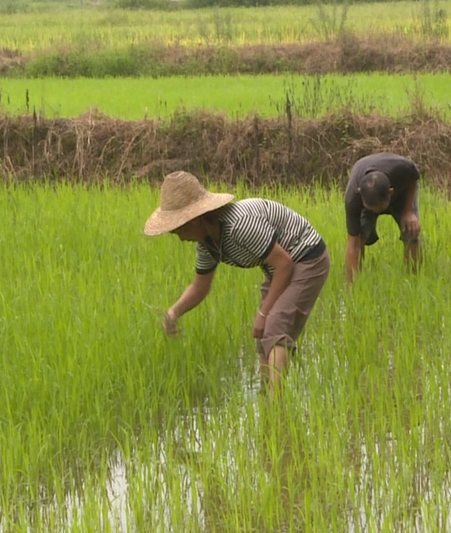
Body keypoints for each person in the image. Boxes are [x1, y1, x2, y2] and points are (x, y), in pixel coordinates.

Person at [144, 171, 330, 393]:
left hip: (307, 258)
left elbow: (285, 264)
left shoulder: (239, 225)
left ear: (197, 218)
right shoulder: (207, 244)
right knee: (263, 335)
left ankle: (277, 407)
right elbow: (200, 285)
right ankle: (265, 395)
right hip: (277, 267)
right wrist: (174, 312)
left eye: (179, 228)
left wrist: (263, 314)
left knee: (275, 325)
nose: (178, 236)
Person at [344, 152, 422, 281]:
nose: (376, 212)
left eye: (379, 208)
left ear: (391, 193)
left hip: (401, 193)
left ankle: (414, 280)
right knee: (360, 236)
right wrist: (351, 289)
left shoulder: (402, 168)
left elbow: (413, 177)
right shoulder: (353, 199)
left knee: (411, 232)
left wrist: (409, 210)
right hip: (366, 185)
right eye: (371, 209)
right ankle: (357, 280)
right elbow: (353, 243)